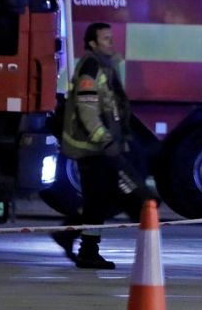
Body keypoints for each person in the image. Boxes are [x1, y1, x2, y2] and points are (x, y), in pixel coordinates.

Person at [53, 22, 153, 269]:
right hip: (92, 148)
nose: (111, 42)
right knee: (98, 201)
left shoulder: (105, 66)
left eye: (111, 37)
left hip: (102, 146)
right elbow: (87, 109)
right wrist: (104, 138)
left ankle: (74, 238)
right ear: (92, 44)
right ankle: (85, 248)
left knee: (100, 200)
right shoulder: (91, 66)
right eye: (105, 39)